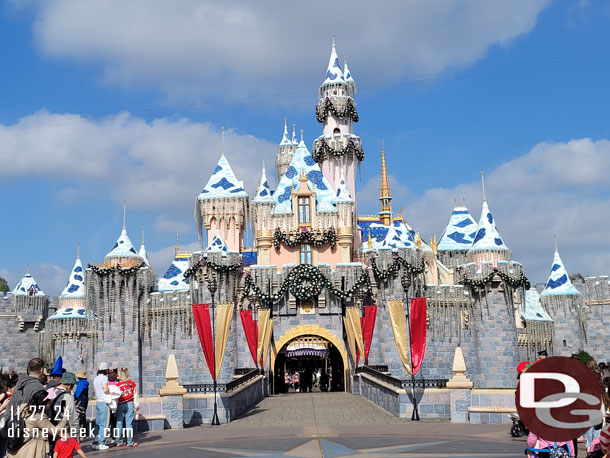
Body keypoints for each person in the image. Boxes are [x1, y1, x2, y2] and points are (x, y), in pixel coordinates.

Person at [7, 389, 69, 458]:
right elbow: (54, 431)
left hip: (17, 447)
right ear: (42, 403)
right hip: (29, 450)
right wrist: (65, 417)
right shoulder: (38, 417)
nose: (50, 405)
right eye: (49, 403)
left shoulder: (24, 407)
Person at [115, 369, 139, 447]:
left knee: (119, 423)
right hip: (130, 403)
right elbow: (135, 396)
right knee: (129, 424)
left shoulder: (117, 385)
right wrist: (137, 406)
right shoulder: (132, 384)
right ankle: (130, 442)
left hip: (120, 404)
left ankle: (119, 441)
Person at [92, 362, 110, 451]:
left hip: (98, 401)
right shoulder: (104, 378)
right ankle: (101, 443)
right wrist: (109, 392)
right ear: (106, 370)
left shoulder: (96, 379)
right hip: (103, 401)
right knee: (103, 423)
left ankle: (96, 441)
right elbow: (105, 389)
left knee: (98, 423)